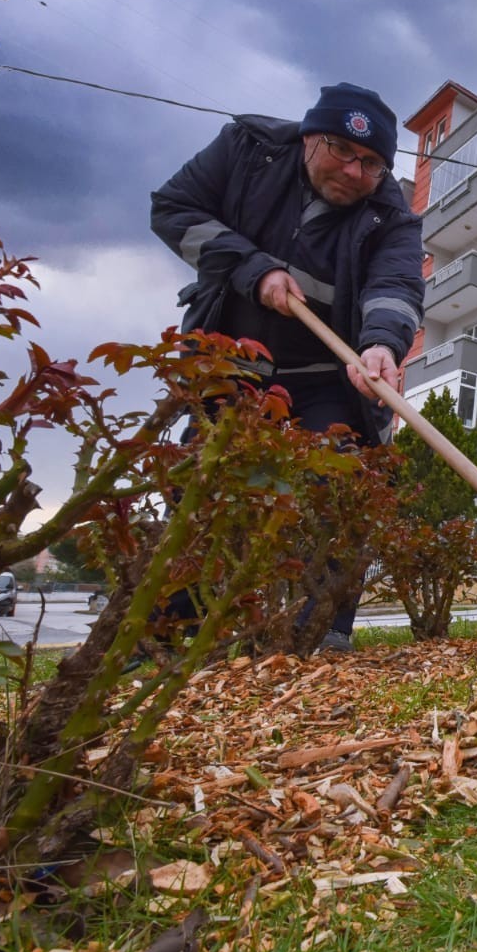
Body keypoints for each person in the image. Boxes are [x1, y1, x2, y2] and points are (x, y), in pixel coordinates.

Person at [150, 83, 424, 651]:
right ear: (308, 138)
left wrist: (381, 346)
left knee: (342, 480)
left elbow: (395, 284)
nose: (354, 170)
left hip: (326, 375)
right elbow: (173, 208)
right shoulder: (247, 151)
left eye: (371, 163)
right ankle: (171, 634)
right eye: (342, 151)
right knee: (202, 486)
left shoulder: (390, 211)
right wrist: (252, 267)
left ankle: (319, 632)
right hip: (233, 366)